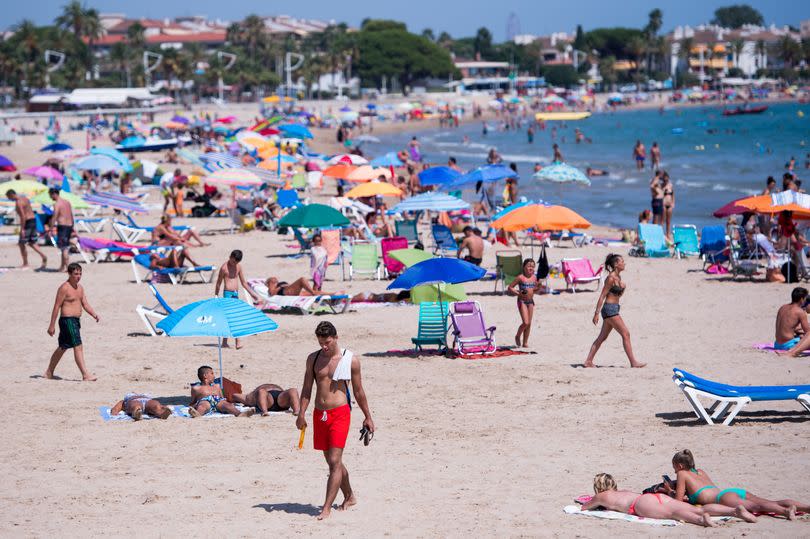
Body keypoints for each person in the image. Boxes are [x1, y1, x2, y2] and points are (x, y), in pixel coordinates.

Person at [296, 322, 375, 520]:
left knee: (333, 462)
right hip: (319, 414)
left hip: (340, 413)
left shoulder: (350, 360)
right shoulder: (313, 359)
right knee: (334, 463)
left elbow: (358, 391)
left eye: (327, 342)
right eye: (321, 342)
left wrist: (368, 416)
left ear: (336, 338)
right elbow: (306, 389)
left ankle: (326, 508)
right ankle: (349, 496)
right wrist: (301, 413)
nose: (324, 346)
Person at [670, 449, 805, 519]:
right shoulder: (700, 471)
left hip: (722, 499)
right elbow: (698, 488)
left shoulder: (682, 474)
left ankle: (785, 511)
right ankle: (805, 507)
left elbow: (678, 501)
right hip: (730, 492)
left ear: (680, 466)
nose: (674, 470)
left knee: (756, 507)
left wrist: (669, 491)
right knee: (769, 501)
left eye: (674, 467)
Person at [581, 473, 751, 527]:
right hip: (652, 497)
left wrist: (587, 502)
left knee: (675, 514)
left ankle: (702, 520)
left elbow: (585, 507)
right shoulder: (623, 491)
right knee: (695, 507)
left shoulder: (601, 496)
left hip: (640, 504)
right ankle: (735, 511)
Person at [583, 254, 645, 368]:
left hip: (613, 309)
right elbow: (602, 296)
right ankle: (633, 362)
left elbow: (617, 295)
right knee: (626, 333)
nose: (624, 263)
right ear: (616, 264)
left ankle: (588, 361)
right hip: (610, 310)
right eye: (622, 261)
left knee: (602, 337)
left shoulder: (618, 278)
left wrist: (623, 288)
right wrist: (596, 313)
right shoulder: (611, 278)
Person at [45, 263, 99, 381]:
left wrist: (94, 314)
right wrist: (51, 325)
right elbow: (56, 306)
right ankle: (85, 375)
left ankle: (49, 372)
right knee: (78, 345)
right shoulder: (64, 287)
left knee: (63, 347)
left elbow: (85, 303)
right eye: (75, 274)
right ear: (69, 274)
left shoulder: (80, 288)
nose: (78, 276)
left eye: (80, 274)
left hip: (75, 321)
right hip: (67, 320)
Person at [215, 250, 261, 349]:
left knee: (232, 317)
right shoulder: (224, 268)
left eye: (237, 262)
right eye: (234, 262)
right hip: (227, 294)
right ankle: (238, 341)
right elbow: (218, 282)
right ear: (230, 257)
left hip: (235, 294)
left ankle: (224, 342)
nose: (235, 264)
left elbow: (244, 283)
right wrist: (216, 294)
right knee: (232, 317)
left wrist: (253, 294)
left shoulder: (238, 267)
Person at [188, 366, 253, 417]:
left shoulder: (217, 386)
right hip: (205, 401)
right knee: (202, 406)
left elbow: (222, 398)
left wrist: (227, 403)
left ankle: (239, 414)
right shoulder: (196, 388)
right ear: (205, 376)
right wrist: (194, 405)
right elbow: (193, 401)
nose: (214, 376)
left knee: (228, 406)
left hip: (218, 401)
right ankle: (197, 414)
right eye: (212, 373)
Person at [6, 189, 47, 269]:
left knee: (21, 243)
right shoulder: (25, 198)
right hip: (33, 220)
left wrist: (22, 229)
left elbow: (23, 216)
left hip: (27, 222)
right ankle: (43, 256)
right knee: (32, 242)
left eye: (8, 197)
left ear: (11, 195)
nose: (9, 199)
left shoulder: (18, 203)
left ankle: (25, 263)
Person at [507, 259, 538, 348]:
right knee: (525, 322)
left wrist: (539, 287)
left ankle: (525, 342)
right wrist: (518, 293)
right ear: (524, 267)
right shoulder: (520, 277)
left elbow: (535, 290)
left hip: (531, 301)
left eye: (532, 266)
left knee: (529, 323)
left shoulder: (534, 277)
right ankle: (517, 335)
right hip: (522, 301)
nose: (531, 268)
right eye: (528, 266)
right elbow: (510, 287)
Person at [231, 383, 300, 416]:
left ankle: (296, 411)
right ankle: (265, 412)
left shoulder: (254, 393)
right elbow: (234, 396)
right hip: (266, 400)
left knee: (293, 390)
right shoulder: (251, 396)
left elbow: (235, 395)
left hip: (280, 397)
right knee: (261, 392)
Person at [48, 188, 74, 272]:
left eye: (50, 195)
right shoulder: (67, 202)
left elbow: (55, 216)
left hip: (62, 226)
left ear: (54, 194)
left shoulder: (57, 204)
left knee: (64, 248)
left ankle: (68, 268)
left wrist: (50, 228)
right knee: (64, 247)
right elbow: (71, 214)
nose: (50, 197)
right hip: (69, 225)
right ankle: (62, 267)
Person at [661, 171, 675, 239]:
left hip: (669, 204)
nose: (666, 180)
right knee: (663, 220)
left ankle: (668, 234)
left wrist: (673, 203)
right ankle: (661, 233)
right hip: (663, 204)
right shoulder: (661, 185)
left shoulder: (670, 185)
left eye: (667, 179)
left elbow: (673, 194)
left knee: (668, 221)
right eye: (664, 179)